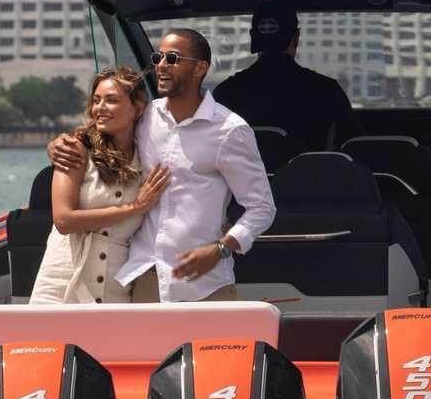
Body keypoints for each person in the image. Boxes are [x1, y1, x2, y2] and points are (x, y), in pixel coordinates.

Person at [48, 29, 275, 303]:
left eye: (172, 58)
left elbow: (262, 208)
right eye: (158, 57)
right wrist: (60, 144)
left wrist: (220, 249)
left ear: (200, 68)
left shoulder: (230, 130)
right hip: (146, 280)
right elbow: (101, 130)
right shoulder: (145, 118)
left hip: (206, 285)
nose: (161, 66)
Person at [29, 67, 171, 304]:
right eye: (96, 101)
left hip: (115, 292)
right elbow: (64, 221)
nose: (100, 108)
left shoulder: (148, 157)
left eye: (111, 100)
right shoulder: (74, 149)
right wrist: (135, 208)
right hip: (62, 284)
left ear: (138, 109)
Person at [209, 0, 363, 152]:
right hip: (307, 170)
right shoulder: (327, 90)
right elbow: (353, 146)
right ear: (296, 37)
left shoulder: (225, 93)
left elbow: (211, 147)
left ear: (252, 36)